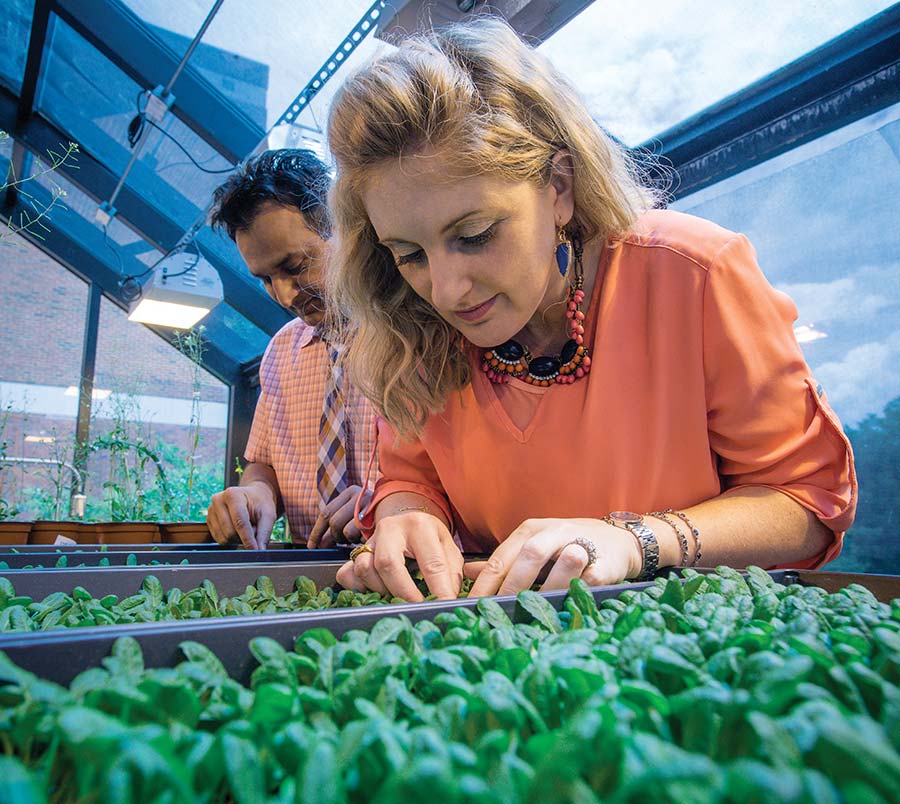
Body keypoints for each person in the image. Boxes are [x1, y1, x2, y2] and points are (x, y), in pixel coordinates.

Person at [324, 18, 857, 601]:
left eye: (474, 234)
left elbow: (804, 503)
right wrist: (407, 514)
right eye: (409, 254)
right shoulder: (413, 326)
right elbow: (411, 478)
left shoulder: (696, 274)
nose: (447, 291)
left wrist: (638, 542)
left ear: (559, 185)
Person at [205, 149, 377, 549]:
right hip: (303, 578)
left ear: (345, 232)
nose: (284, 295)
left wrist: (395, 503)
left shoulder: (414, 338)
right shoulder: (282, 351)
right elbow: (262, 463)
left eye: (295, 266)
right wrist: (257, 493)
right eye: (265, 279)